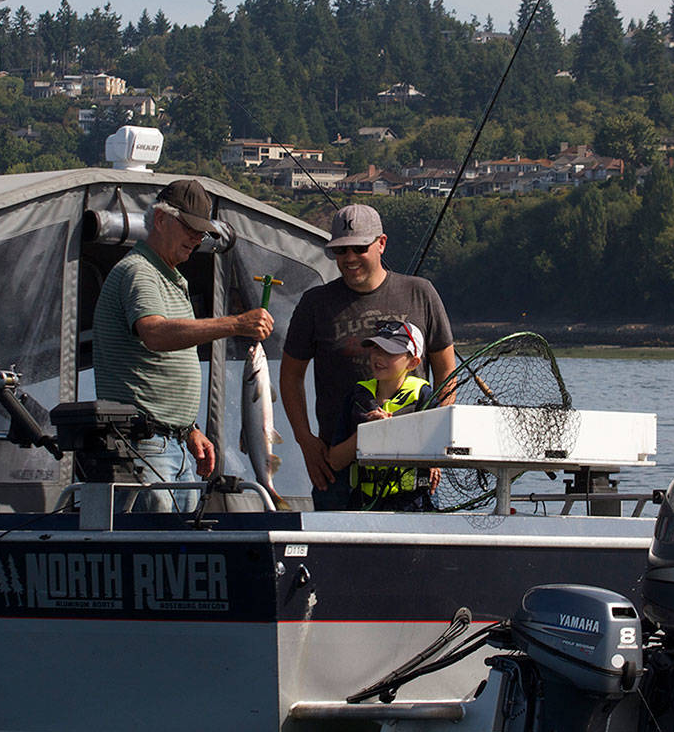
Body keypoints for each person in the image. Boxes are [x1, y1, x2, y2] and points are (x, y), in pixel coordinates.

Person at [93, 179, 273, 512]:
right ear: (160, 220)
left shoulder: (171, 278)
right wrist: (236, 323)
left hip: (169, 445)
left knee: (176, 546)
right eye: (190, 228)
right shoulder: (139, 272)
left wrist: (189, 430)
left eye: (202, 232)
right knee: (158, 546)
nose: (197, 239)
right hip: (144, 446)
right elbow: (155, 333)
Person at [280, 203, 456, 510]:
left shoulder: (421, 292)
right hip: (337, 464)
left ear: (381, 244)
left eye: (359, 248)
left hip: (412, 466)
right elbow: (291, 376)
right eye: (340, 251)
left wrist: (435, 446)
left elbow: (447, 375)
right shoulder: (315, 303)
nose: (349, 259)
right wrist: (305, 441)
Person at [327, 320, 440, 511]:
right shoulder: (356, 397)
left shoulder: (423, 397)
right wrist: (366, 433)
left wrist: (394, 431)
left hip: (413, 505)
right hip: (363, 504)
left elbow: (437, 452)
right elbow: (336, 461)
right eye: (376, 348)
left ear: (413, 362)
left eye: (389, 352)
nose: (379, 356)